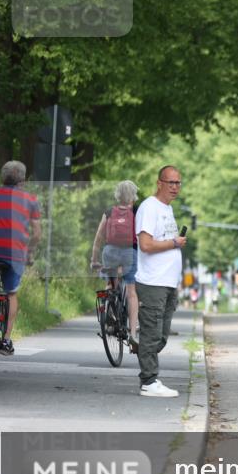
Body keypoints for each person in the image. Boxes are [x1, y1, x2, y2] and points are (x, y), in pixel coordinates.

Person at [134, 165, 186, 398]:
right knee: (152, 334)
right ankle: (149, 381)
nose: (175, 187)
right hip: (153, 282)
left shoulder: (167, 209)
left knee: (161, 335)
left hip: (167, 282)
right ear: (159, 183)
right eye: (171, 182)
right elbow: (145, 245)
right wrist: (175, 243)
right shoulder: (149, 208)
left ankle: (148, 366)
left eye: (178, 183)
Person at [0, 161, 41, 355]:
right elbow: (37, 233)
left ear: (2, 177)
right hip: (14, 254)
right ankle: (6, 340)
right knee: (11, 294)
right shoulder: (31, 200)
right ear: (22, 180)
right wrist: (30, 252)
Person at [90, 180, 140, 352]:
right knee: (132, 293)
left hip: (109, 252)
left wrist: (94, 259)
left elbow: (98, 237)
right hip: (129, 253)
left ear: (118, 195)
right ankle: (133, 333)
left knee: (111, 284)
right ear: (133, 196)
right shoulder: (137, 211)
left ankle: (110, 315)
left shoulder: (109, 211)